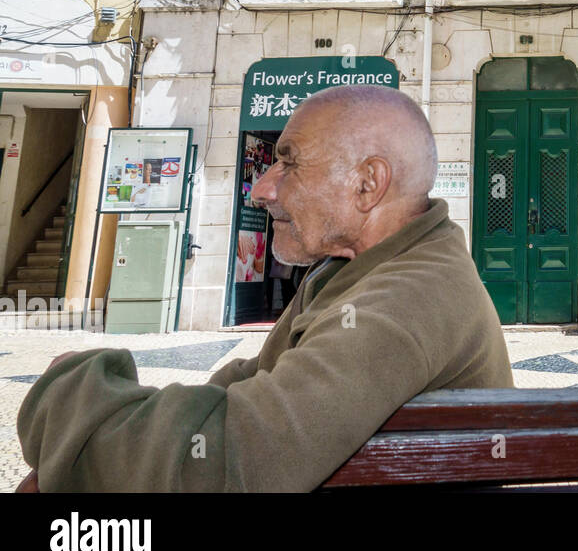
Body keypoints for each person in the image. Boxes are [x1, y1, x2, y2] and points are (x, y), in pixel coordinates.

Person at [16, 85, 514, 492]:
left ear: (368, 184)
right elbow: (253, 382)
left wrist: (70, 394)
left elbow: (232, 456)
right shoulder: (357, 271)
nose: (263, 188)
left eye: (289, 163)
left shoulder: (407, 298)